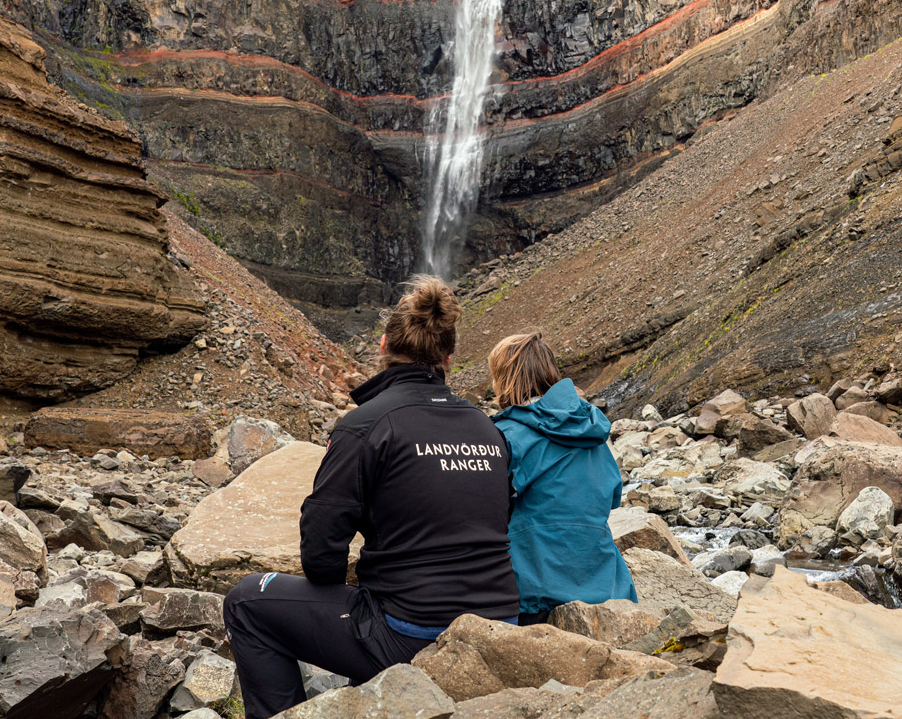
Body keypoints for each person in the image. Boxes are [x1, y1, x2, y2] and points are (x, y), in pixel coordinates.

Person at [223, 276, 520, 719]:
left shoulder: (365, 425)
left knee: (247, 600)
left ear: (383, 345)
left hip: (411, 633)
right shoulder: (487, 428)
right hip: (499, 626)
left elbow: (320, 558)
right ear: (449, 357)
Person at [489, 331, 636, 624]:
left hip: (536, 595)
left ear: (505, 380)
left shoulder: (507, 436)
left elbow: (486, 510)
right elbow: (613, 495)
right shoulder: (591, 428)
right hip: (608, 587)